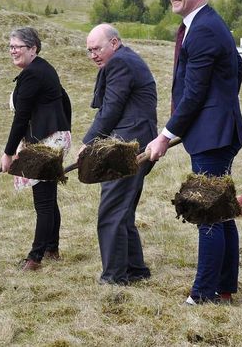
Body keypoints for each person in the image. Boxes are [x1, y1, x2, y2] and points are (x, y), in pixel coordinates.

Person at [145, 0, 242, 304]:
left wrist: (165, 135)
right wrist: (224, 100)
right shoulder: (205, 24)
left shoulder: (203, 29)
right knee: (221, 210)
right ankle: (225, 288)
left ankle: (203, 293)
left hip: (214, 135)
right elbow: (237, 67)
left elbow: (194, 92)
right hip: (214, 129)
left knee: (207, 212)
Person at [81, 23, 157, 285]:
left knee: (112, 210)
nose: (93, 55)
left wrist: (89, 142)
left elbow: (111, 108)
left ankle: (114, 277)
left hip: (129, 146)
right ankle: (135, 269)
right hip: (136, 141)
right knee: (122, 211)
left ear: (114, 43)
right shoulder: (124, 60)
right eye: (89, 51)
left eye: (97, 49)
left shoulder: (120, 63)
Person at [1, 27, 72, 272]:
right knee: (48, 199)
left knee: (43, 201)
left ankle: (35, 258)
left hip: (46, 142)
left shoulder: (33, 74)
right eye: (10, 46)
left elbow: (21, 117)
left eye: (17, 46)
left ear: (33, 49)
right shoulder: (41, 68)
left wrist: (9, 152)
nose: (13, 51)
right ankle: (52, 248)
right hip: (52, 137)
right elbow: (64, 99)